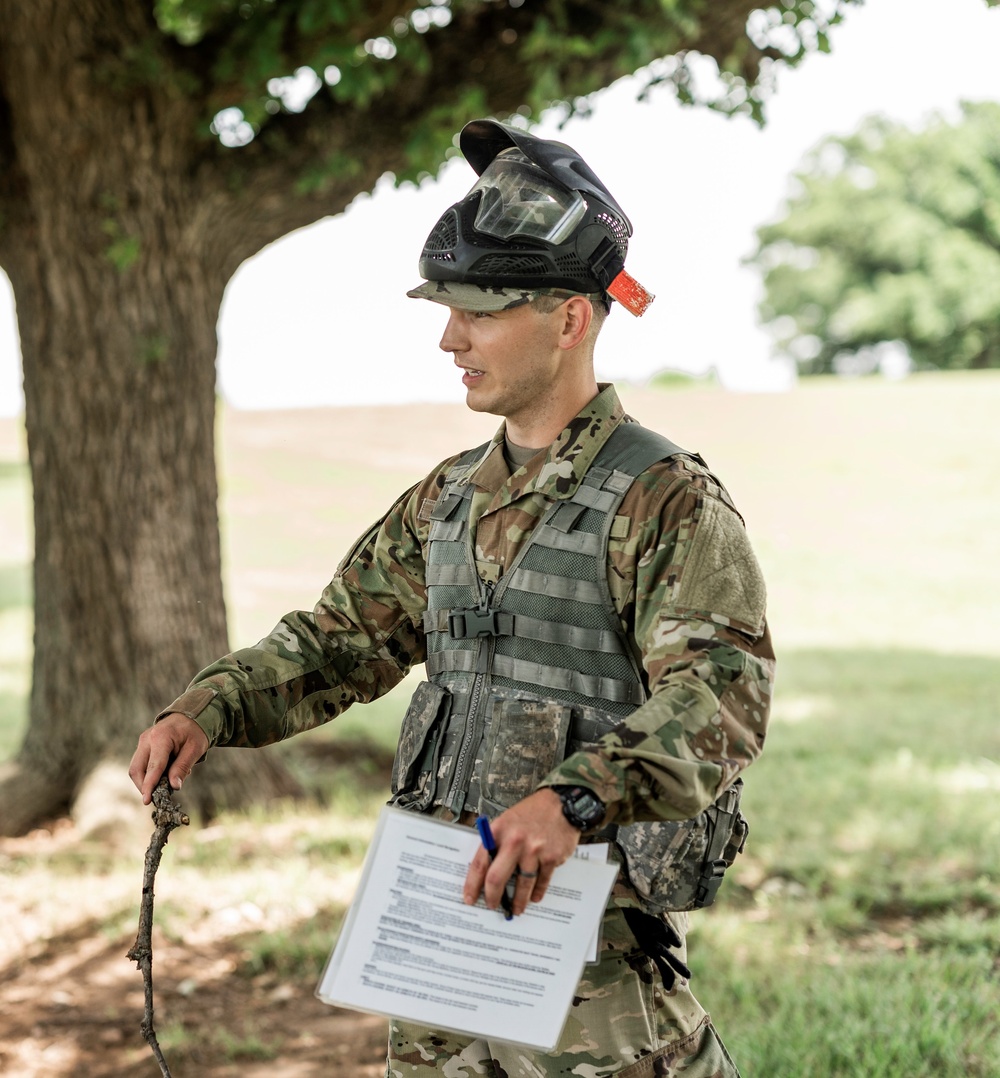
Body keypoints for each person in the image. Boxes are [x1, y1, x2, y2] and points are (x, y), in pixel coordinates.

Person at [130, 118, 774, 1078]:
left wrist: (574, 799)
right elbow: (340, 639)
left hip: (585, 942)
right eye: (447, 306)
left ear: (570, 317)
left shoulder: (665, 497)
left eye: (480, 308)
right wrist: (212, 702)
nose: (449, 336)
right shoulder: (446, 499)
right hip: (439, 921)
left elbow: (722, 698)